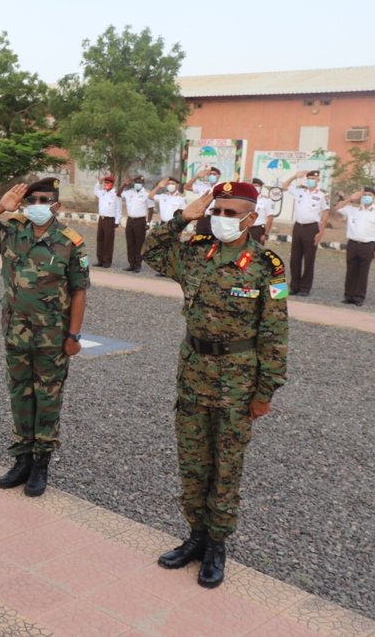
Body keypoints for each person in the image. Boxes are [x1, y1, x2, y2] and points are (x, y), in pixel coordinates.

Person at [144, 181, 288, 589]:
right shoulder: (194, 254)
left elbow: (275, 334)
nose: (222, 218)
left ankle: (217, 546)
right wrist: (181, 217)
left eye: (231, 212)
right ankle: (195, 537)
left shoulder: (267, 266)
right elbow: (151, 252)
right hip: (193, 375)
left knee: (226, 468)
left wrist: (265, 392)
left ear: (251, 217)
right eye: (217, 211)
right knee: (192, 463)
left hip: (237, 383)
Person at [0, 177, 89, 497]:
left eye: (44, 201)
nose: (37, 206)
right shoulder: (11, 232)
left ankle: (41, 463)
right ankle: (21, 459)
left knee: (47, 399)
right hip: (16, 334)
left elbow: (78, 292)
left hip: (52, 337)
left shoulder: (69, 242)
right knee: (20, 395)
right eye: (31, 201)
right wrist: (0, 207)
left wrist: (74, 335)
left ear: (56, 205)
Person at [281, 170, 329, 296]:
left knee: (309, 259)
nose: (311, 180)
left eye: (313, 178)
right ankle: (294, 286)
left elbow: (325, 214)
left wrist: (321, 232)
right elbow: (285, 186)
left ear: (318, 180)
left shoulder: (322, 194)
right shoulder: (300, 191)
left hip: (311, 228)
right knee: (295, 258)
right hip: (298, 227)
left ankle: (305, 288)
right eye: (309, 178)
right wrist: (294, 176)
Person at [334, 187, 375, 306]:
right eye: (364, 194)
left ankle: (359, 297)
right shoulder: (354, 209)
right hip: (353, 243)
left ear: (374, 198)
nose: (366, 197)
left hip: (368, 245)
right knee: (351, 270)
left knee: (363, 271)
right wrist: (350, 199)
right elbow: (337, 208)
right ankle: (349, 295)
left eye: (369, 195)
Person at [120, 175, 151, 272]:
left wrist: (148, 222)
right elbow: (118, 194)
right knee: (130, 243)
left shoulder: (146, 194)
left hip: (140, 221)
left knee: (139, 244)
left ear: (143, 184)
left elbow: (151, 209)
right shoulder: (129, 192)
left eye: (140, 182)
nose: (138, 184)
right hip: (130, 220)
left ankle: (138, 265)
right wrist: (125, 184)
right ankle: (131, 264)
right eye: (136, 182)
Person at [92, 176, 121, 268]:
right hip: (102, 219)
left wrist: (117, 221)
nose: (107, 184)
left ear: (112, 184)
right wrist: (99, 182)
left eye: (109, 182)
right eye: (106, 182)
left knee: (108, 241)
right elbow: (95, 190)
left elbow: (118, 209)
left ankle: (107, 261)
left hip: (110, 219)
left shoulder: (115, 195)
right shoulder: (102, 193)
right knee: (100, 239)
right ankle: (100, 260)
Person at [190, 166, 221, 235]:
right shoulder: (203, 186)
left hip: (215, 218)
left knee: (213, 240)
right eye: (210, 174)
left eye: (214, 174)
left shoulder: (221, 187)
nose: (212, 176)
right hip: (202, 217)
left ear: (219, 176)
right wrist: (197, 176)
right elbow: (187, 187)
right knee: (199, 239)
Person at [247, 178, 274, 244]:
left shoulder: (266, 200)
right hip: (246, 228)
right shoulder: (247, 199)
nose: (255, 188)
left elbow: (270, 218)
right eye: (253, 186)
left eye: (257, 186)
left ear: (261, 187)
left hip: (258, 229)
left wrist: (266, 234)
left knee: (256, 251)